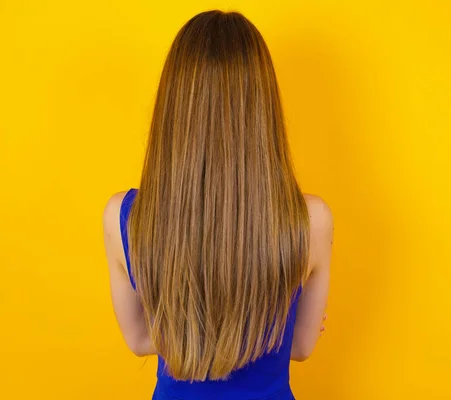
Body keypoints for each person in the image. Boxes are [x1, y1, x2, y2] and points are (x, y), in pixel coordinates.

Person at [102, 10, 333, 400]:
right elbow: (301, 347)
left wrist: (198, 329)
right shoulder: (311, 220)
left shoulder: (124, 217)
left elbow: (141, 338)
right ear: (262, 109)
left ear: (173, 109)